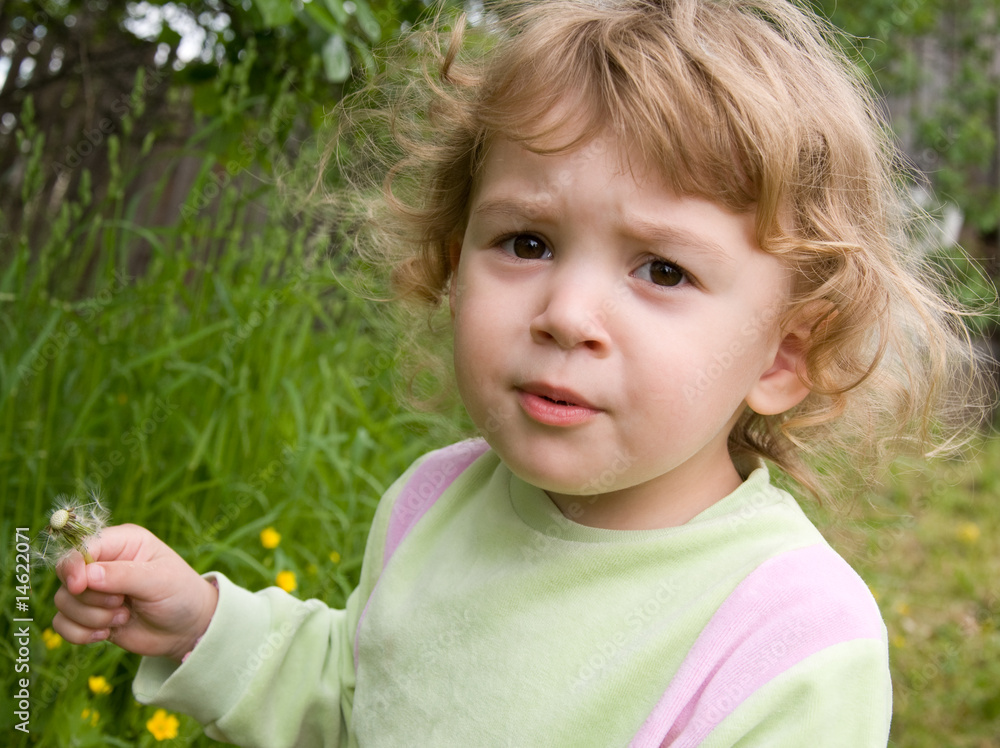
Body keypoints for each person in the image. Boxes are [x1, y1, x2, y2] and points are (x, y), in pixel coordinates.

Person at [52, 1, 993, 745]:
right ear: (452, 259)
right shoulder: (434, 503)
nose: (567, 313)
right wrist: (203, 627)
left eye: (663, 270)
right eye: (528, 241)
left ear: (784, 353)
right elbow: (361, 696)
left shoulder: (791, 638)